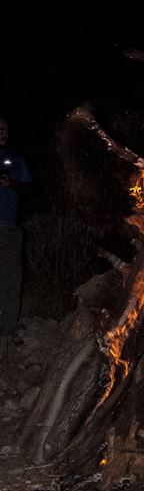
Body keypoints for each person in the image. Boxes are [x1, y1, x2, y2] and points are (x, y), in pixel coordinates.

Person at [0, 119, 32, 335]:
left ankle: (8, 329)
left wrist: (12, 183)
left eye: (5, 127)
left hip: (9, 227)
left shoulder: (16, 158)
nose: (2, 131)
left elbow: (28, 189)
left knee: (11, 278)